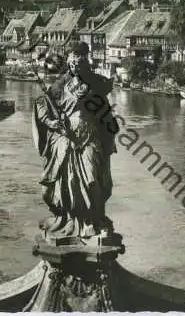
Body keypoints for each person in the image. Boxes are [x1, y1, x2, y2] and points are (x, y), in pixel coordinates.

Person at [32, 42, 118, 238]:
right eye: (72, 64)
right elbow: (42, 106)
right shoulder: (60, 85)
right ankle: (73, 220)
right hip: (68, 140)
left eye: (79, 63)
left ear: (85, 62)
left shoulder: (96, 84)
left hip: (90, 137)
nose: (75, 67)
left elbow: (106, 116)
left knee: (93, 180)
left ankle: (93, 220)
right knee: (68, 182)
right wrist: (53, 123)